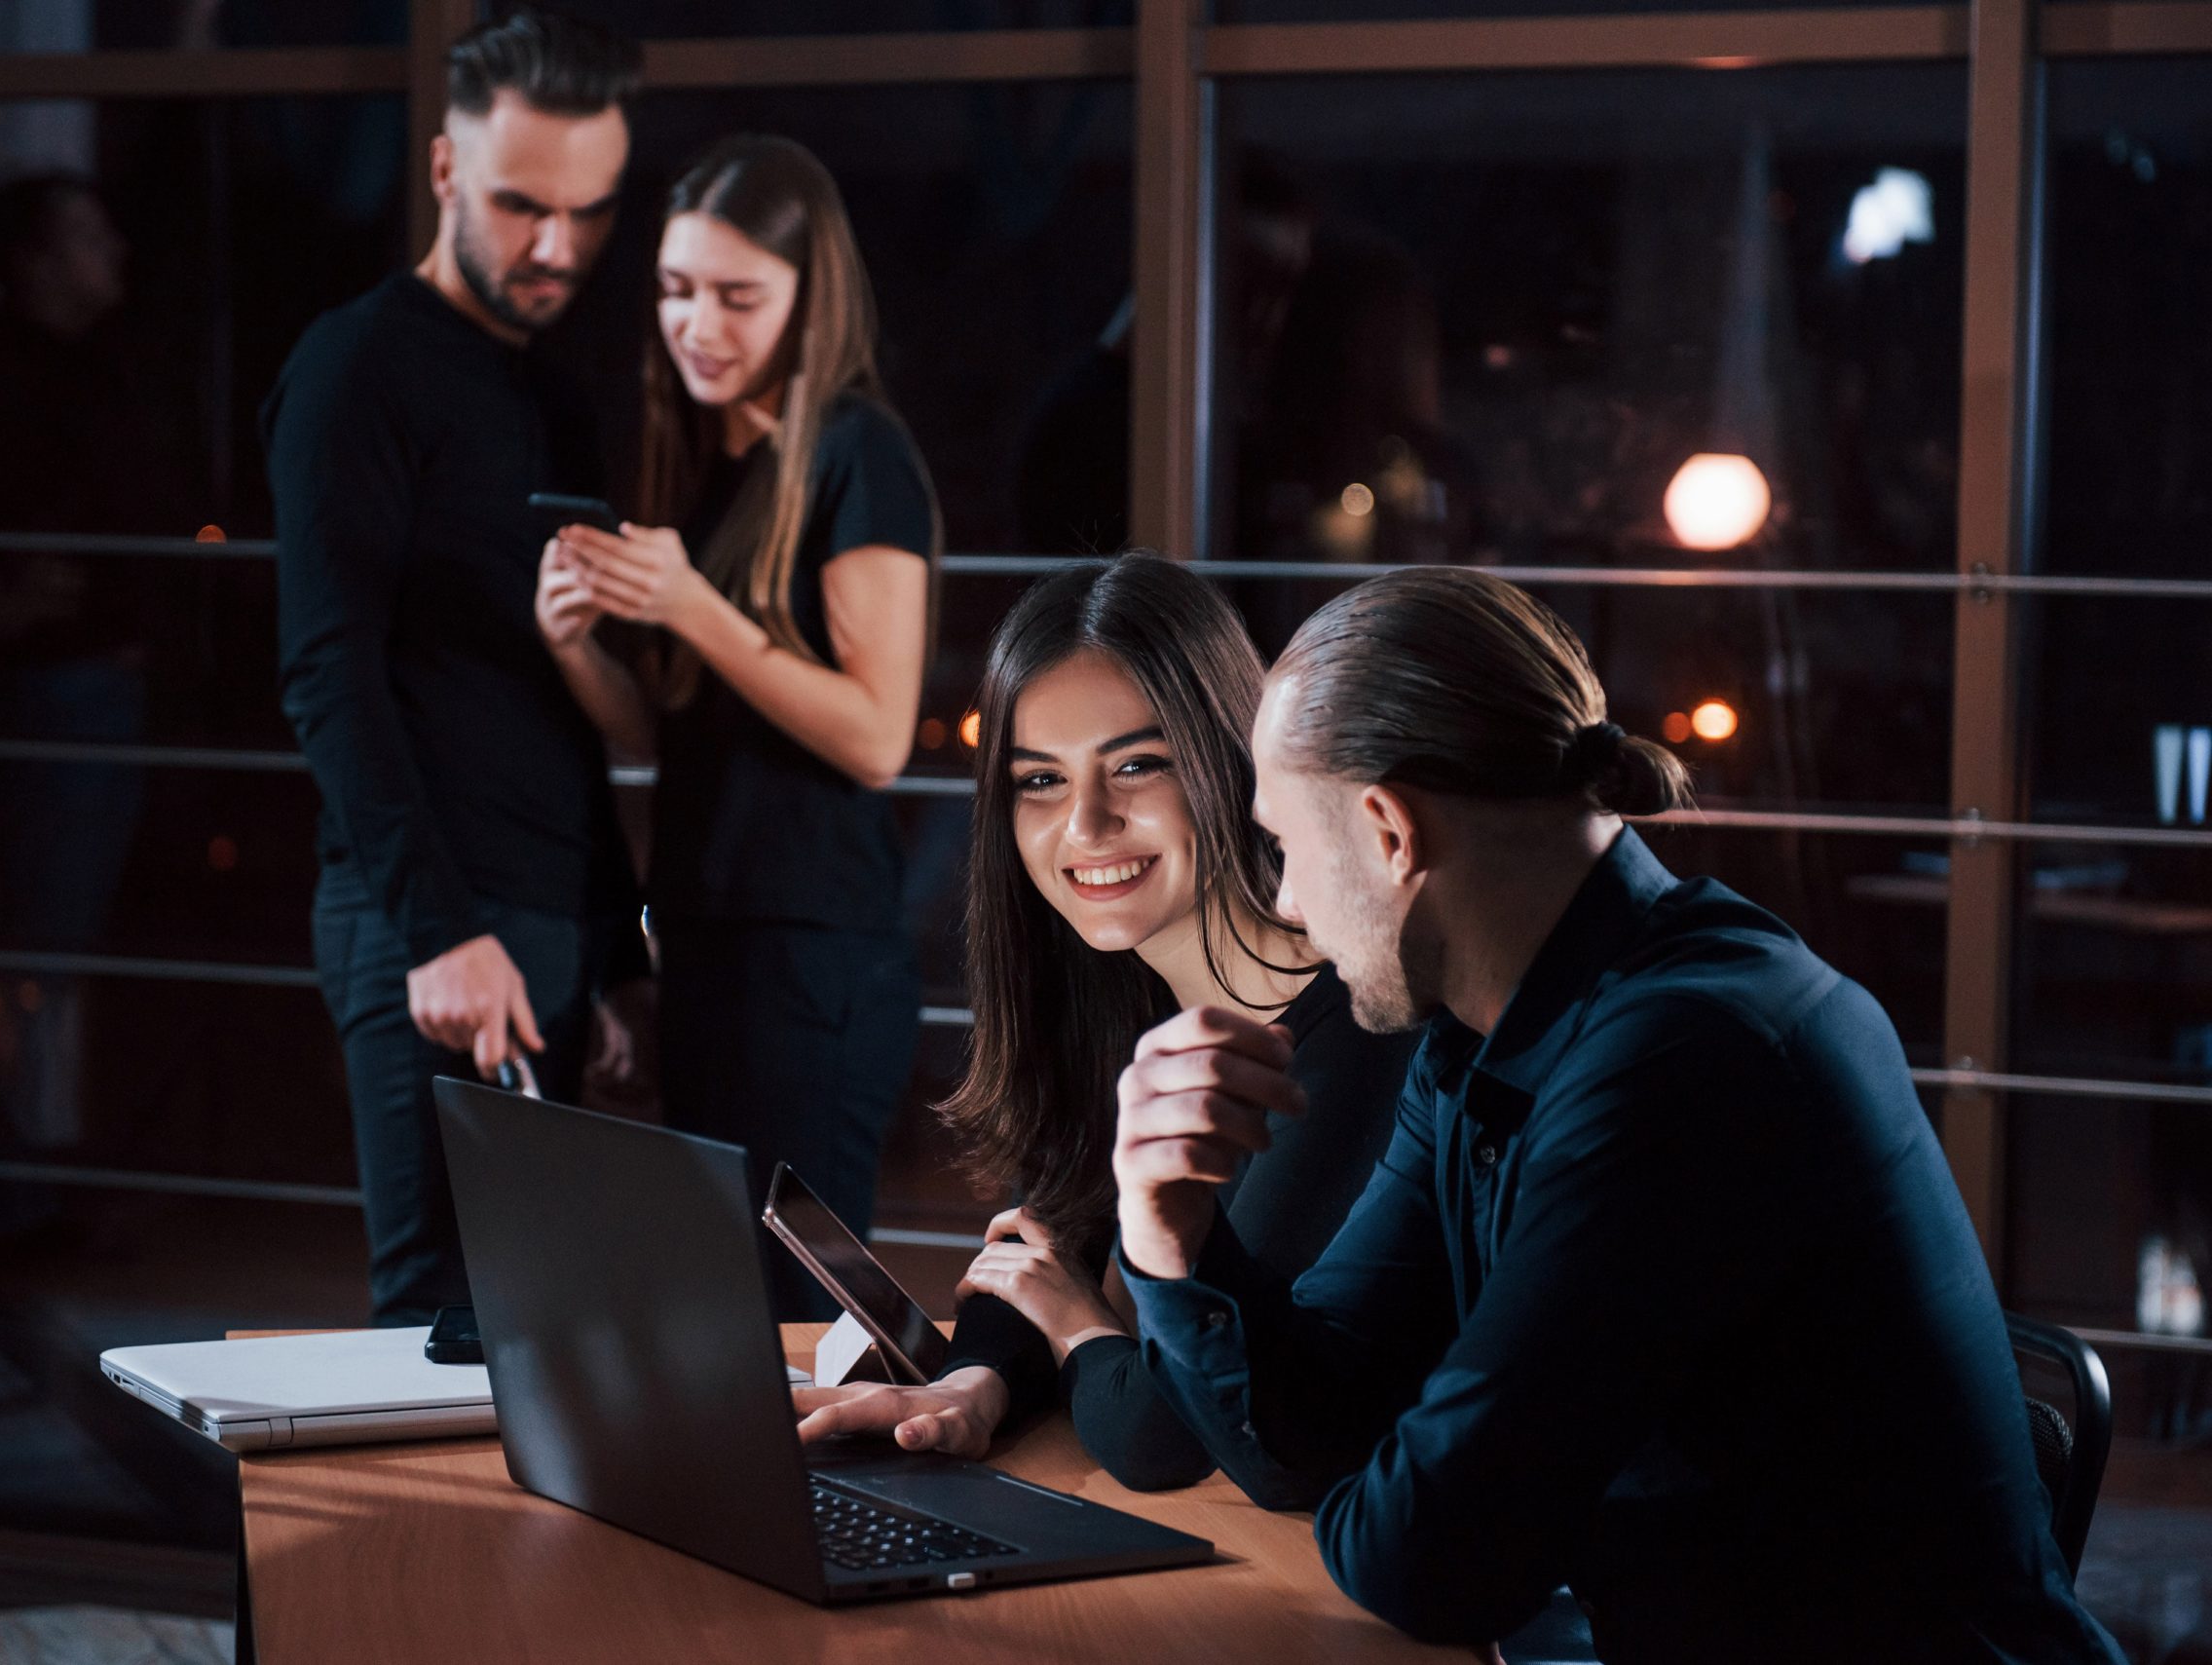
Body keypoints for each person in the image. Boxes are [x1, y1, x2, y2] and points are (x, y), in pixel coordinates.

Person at [1110, 567, 2125, 1661]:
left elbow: (1433, 1559)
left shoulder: (1685, 1058)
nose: (1285, 902)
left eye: (1283, 846)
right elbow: (1311, 1441)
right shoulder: (1479, 1039)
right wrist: (1170, 1237)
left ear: (1387, 831)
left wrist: (1407, 1451)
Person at [785, 554, 1416, 1487]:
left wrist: (1081, 1322)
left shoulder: (1353, 1040)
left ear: (1231, 761)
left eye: (1135, 765)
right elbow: (1044, 1241)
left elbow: (1166, 1430)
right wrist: (976, 1380)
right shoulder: (1123, 1000)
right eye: (1038, 780)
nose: (1084, 822)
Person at [264, 10, 654, 1328]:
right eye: (520, 205)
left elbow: (556, 698)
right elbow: (328, 673)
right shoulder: (355, 369)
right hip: (425, 923)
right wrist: (437, 930)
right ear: (442, 172)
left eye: (589, 211)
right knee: (442, 1333)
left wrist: (608, 949)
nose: (557, 247)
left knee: (539, 1326)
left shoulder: (555, 394)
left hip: (542, 917)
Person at [536, 133, 936, 1320]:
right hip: (709, 942)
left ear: (809, 300)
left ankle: (847, 1512)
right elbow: (666, 729)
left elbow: (877, 736)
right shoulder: (707, 456)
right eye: (674, 288)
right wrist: (573, 640)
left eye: (735, 296)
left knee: (801, 1311)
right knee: (721, 1302)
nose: (696, 323)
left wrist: (691, 606)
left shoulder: (862, 453)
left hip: (814, 952)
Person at [0, 171, 203, 1155]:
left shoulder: (108, 370)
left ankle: (54, 1164)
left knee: (85, 933)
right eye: (85, 233)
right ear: (32, 260)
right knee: (42, 937)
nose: (110, 247)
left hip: (121, 682)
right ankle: (15, 1179)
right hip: (57, 689)